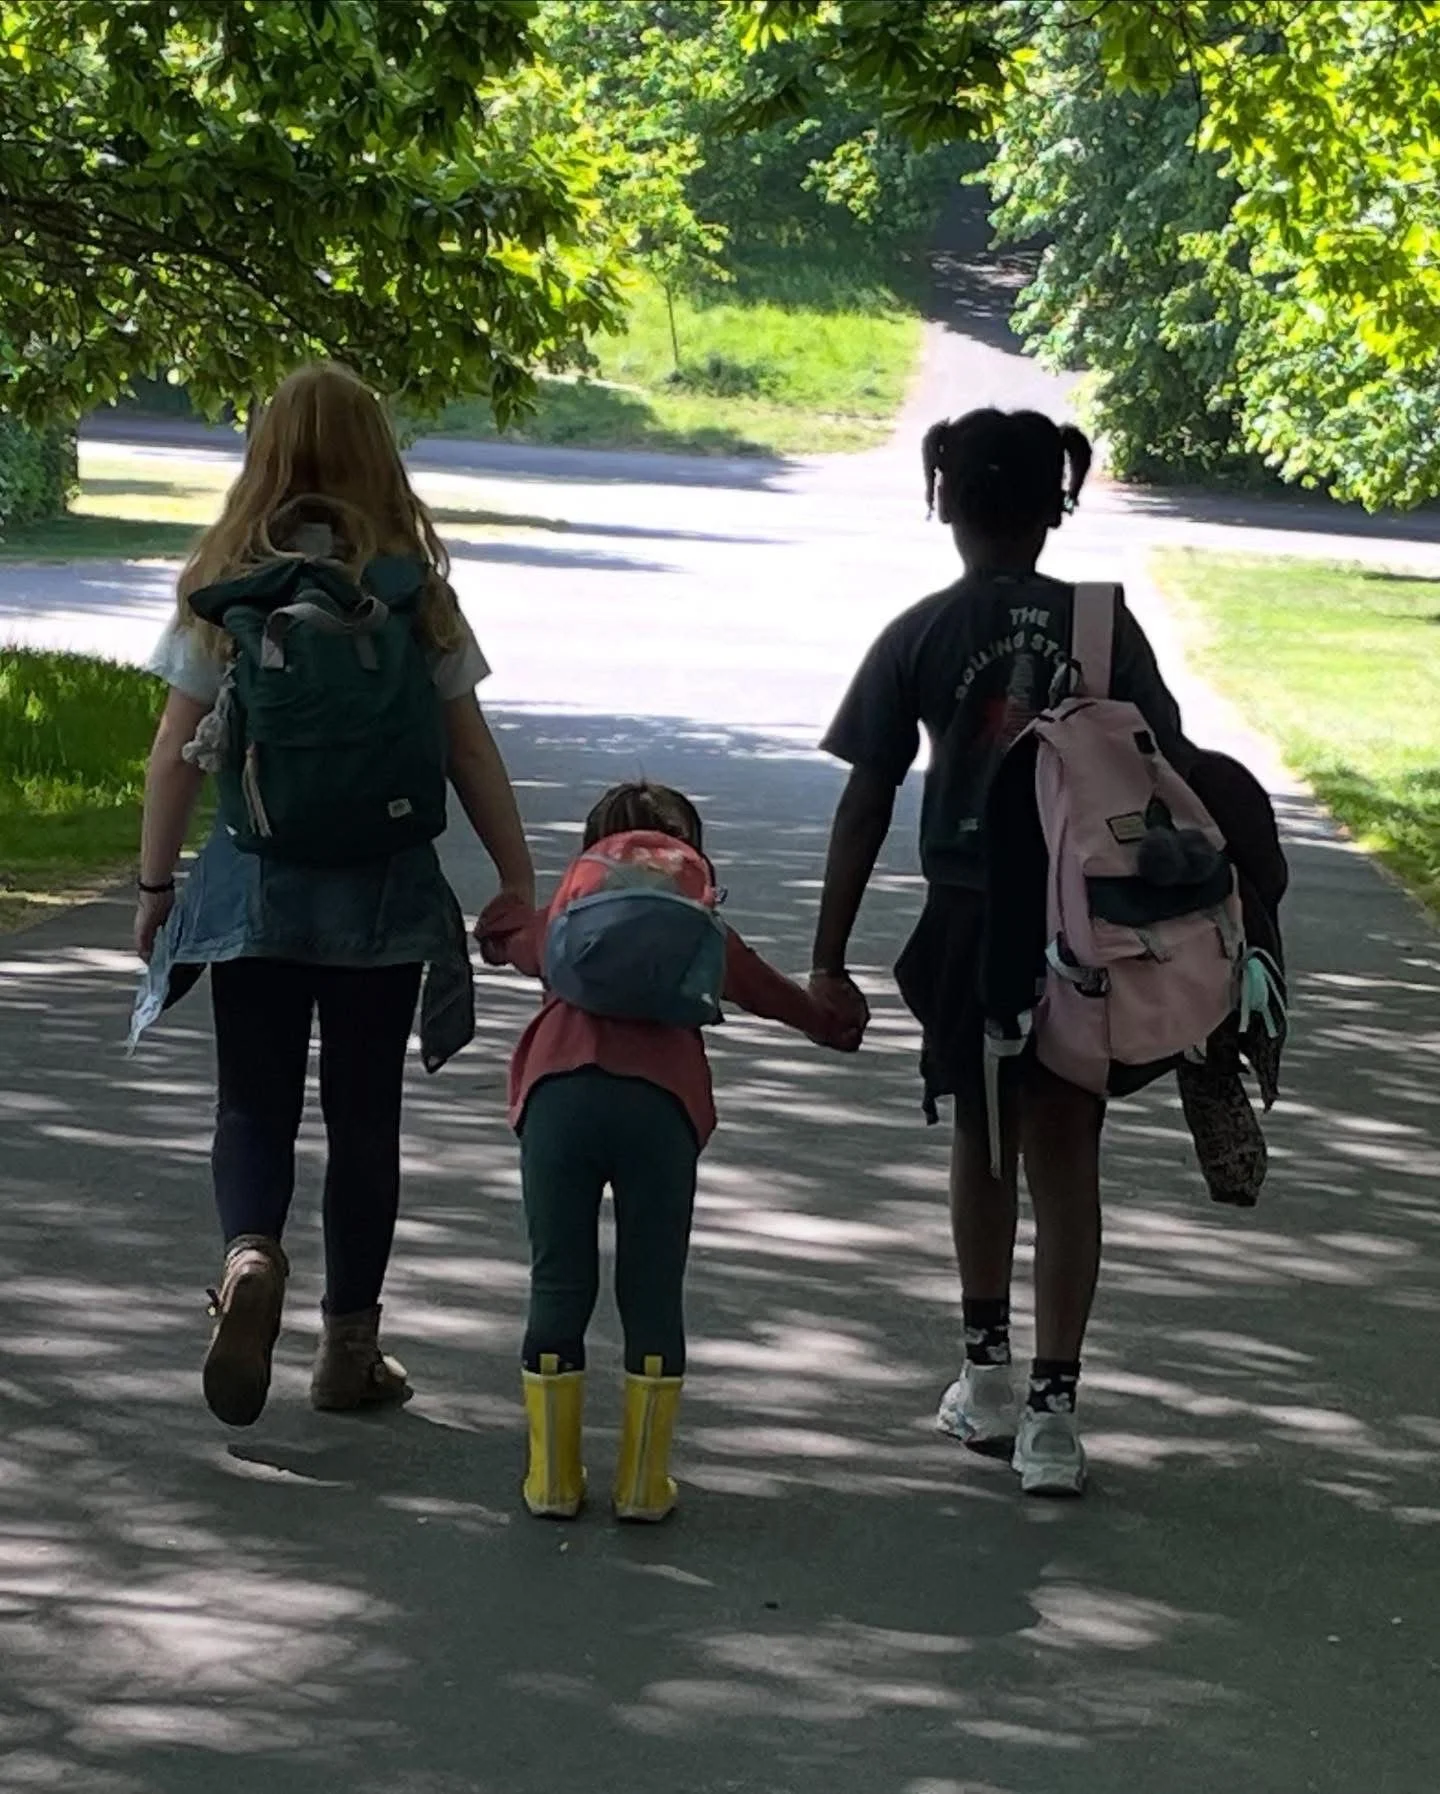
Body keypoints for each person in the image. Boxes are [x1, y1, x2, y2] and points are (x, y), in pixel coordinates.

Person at [130, 362, 534, 1430]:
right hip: (385, 897)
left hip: (254, 892)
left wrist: (155, 884)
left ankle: (250, 1253)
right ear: (378, 456)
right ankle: (347, 1350)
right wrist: (517, 879)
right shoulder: (408, 592)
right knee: (365, 1121)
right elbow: (468, 750)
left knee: (252, 1100)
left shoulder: (229, 587)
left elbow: (175, 752)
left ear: (263, 456)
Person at [808, 408, 1192, 1496]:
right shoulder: (1105, 628)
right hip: (1089, 929)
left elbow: (867, 796)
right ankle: (1054, 1419)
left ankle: (983, 1379)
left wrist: (828, 957)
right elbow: (1171, 769)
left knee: (984, 1145)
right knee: (1068, 1156)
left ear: (947, 502)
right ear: (1054, 504)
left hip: (972, 921)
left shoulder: (923, 630)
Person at [477, 781, 861, 1523]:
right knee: (652, 1290)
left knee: (559, 1281)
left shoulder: (564, 918)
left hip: (561, 1098)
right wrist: (826, 1023)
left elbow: (510, 940)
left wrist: (497, 929)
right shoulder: (701, 932)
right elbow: (768, 992)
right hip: (663, 1107)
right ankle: (644, 1487)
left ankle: (553, 1481)